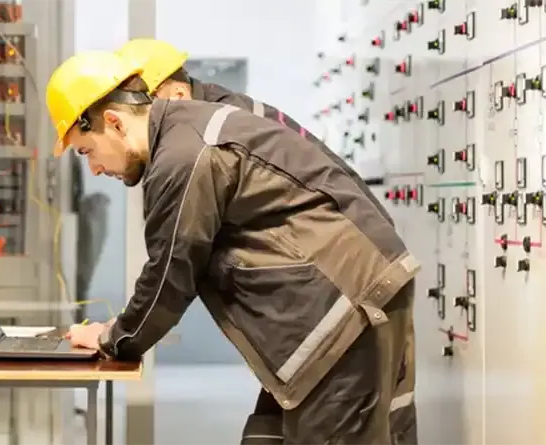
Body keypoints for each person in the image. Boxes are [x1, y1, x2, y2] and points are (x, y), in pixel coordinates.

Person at [49, 51, 419, 445]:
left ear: (114, 122)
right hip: (337, 304)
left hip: (344, 312)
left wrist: (116, 338)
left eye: (86, 150)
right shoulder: (188, 132)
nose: (93, 169)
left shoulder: (183, 155)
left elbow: (171, 272)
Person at [115, 38, 393, 224]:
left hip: (354, 267)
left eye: (142, 113)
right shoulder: (217, 116)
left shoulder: (221, 133)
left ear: (176, 95)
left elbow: (178, 257)